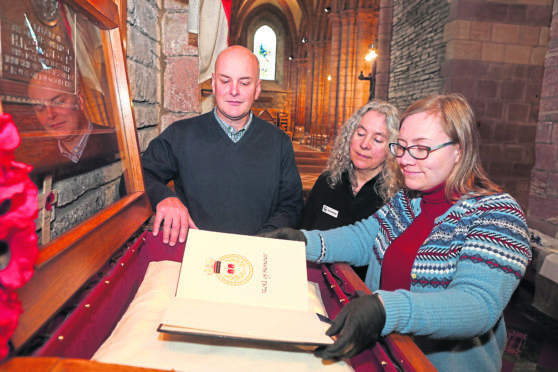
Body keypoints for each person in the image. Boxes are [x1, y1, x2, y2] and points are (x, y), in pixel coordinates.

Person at [262, 94, 531, 371]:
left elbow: (477, 305)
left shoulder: (497, 214)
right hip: (387, 353)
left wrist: (386, 309)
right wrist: (303, 241)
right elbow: (363, 238)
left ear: (459, 150)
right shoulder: (409, 200)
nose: (405, 160)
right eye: (401, 147)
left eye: (421, 149)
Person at [141, 45, 303, 245]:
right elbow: (136, 177)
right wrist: (164, 197)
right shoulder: (181, 135)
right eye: (225, 81)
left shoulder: (279, 142)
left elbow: (291, 206)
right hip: (196, 253)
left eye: (244, 83)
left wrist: (261, 241)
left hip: (259, 253)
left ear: (257, 88)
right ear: (213, 83)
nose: (234, 91)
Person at [299, 100, 403, 279]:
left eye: (378, 139)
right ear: (350, 136)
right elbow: (304, 233)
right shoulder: (328, 182)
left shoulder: (396, 199)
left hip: (362, 295)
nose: (365, 144)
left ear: (392, 149)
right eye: (360, 133)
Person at [28, 68, 119, 165]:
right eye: (40, 108)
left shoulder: (118, 142)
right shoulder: (42, 167)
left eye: (58, 102)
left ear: (79, 100)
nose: (50, 114)